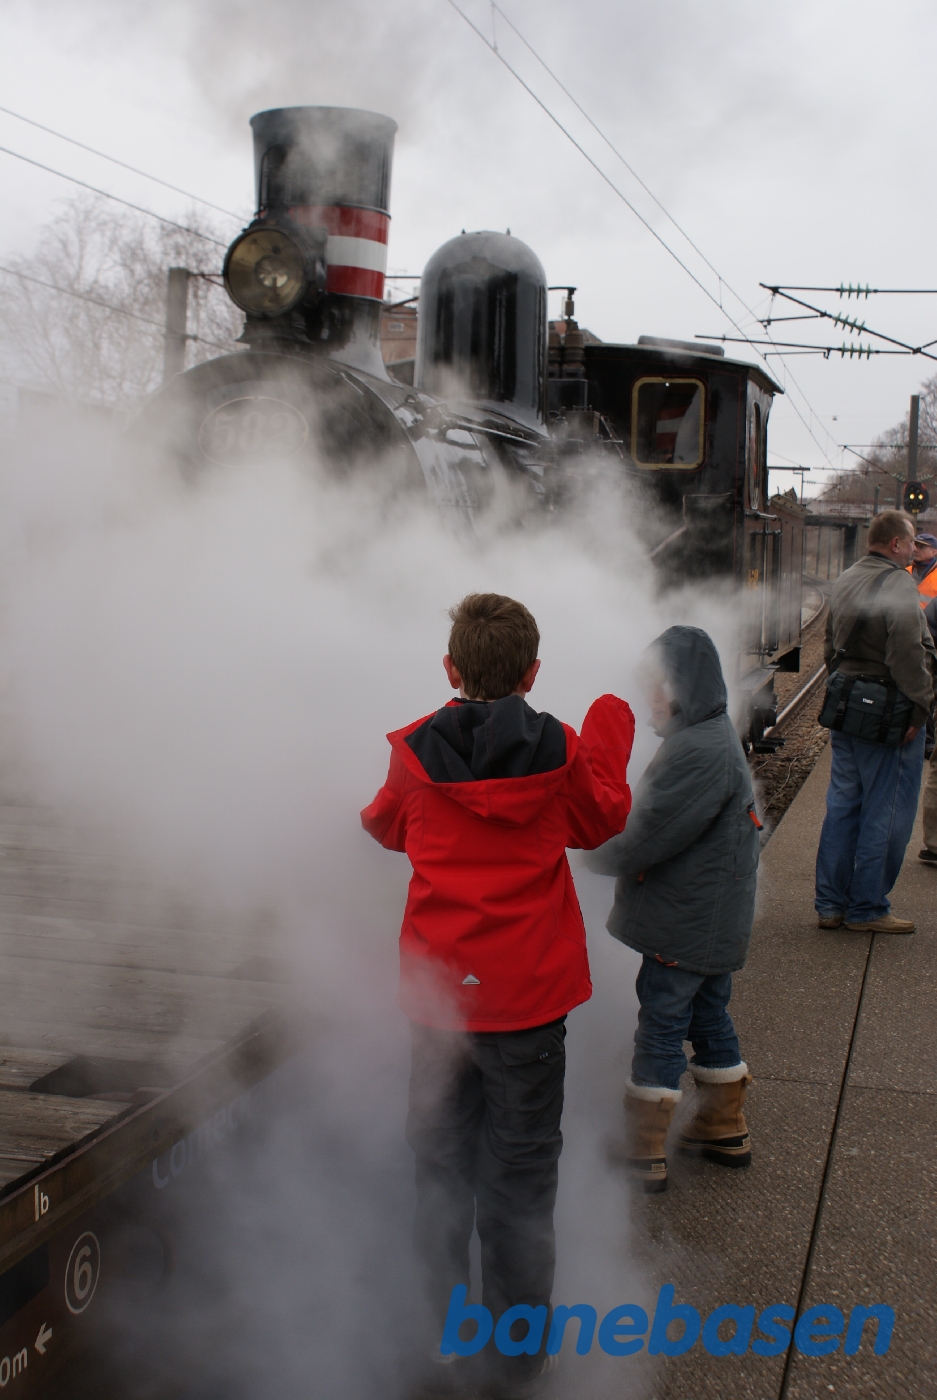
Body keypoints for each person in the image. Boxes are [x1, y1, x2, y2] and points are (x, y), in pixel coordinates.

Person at [360, 593, 634, 1399]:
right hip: (526, 1009)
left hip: (441, 1006)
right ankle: (516, 1358)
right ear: (532, 673)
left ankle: (441, 1336)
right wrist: (613, 721)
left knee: (439, 1169)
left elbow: (384, 827)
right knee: (517, 1185)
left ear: (450, 669)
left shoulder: (412, 754)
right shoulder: (562, 751)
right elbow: (602, 817)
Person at [586, 626, 759, 1193]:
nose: (650, 701)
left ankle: (644, 1149)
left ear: (684, 685)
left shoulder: (697, 751)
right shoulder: (709, 736)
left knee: (661, 1020)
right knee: (708, 1015)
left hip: (686, 922)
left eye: (657, 688)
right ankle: (723, 1124)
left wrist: (591, 853)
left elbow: (647, 834)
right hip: (709, 918)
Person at [815, 510, 936, 932]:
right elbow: (908, 648)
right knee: (887, 812)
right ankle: (867, 908)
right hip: (887, 711)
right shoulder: (899, 581)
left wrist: (844, 686)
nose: (911, 552)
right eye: (909, 544)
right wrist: (920, 706)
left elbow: (830, 643)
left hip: (846, 705)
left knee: (843, 805)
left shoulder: (848, 576)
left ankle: (830, 905)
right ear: (897, 544)